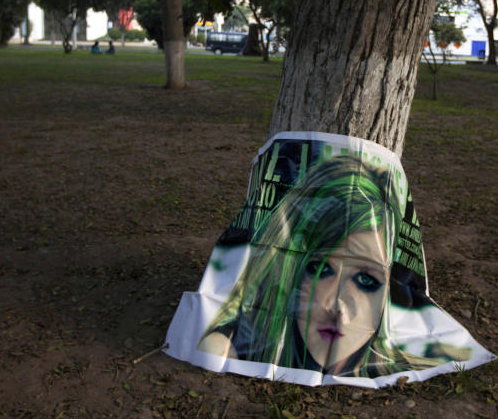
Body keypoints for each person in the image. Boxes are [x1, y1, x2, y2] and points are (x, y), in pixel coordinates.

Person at [197, 157, 468, 378]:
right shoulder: (234, 346)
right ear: (286, 266)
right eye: (317, 269)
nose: (337, 307)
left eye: (366, 280)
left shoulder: (411, 367)